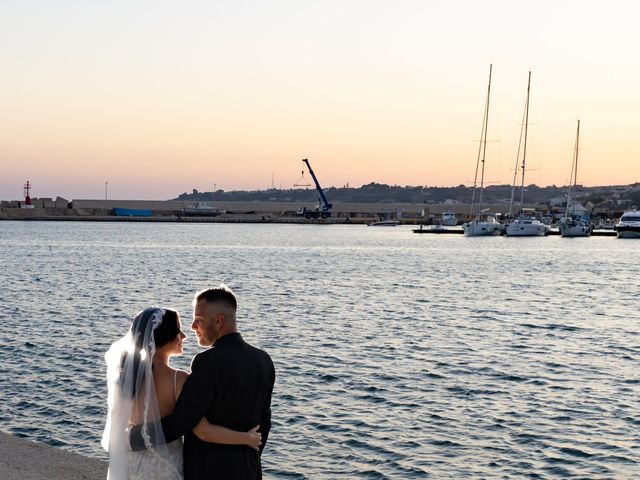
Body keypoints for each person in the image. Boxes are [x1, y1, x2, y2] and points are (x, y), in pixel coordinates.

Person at [130, 285, 276, 480]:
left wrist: (130, 437)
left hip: (207, 471)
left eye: (198, 320)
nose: (192, 327)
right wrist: (249, 450)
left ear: (218, 321)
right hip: (248, 470)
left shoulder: (206, 362)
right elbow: (265, 421)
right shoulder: (264, 360)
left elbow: (181, 423)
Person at [102, 307, 261, 480]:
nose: (184, 336)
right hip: (165, 467)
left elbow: (119, 427)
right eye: (178, 330)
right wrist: (247, 438)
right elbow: (203, 431)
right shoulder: (178, 379)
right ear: (164, 337)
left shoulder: (126, 376)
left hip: (131, 465)